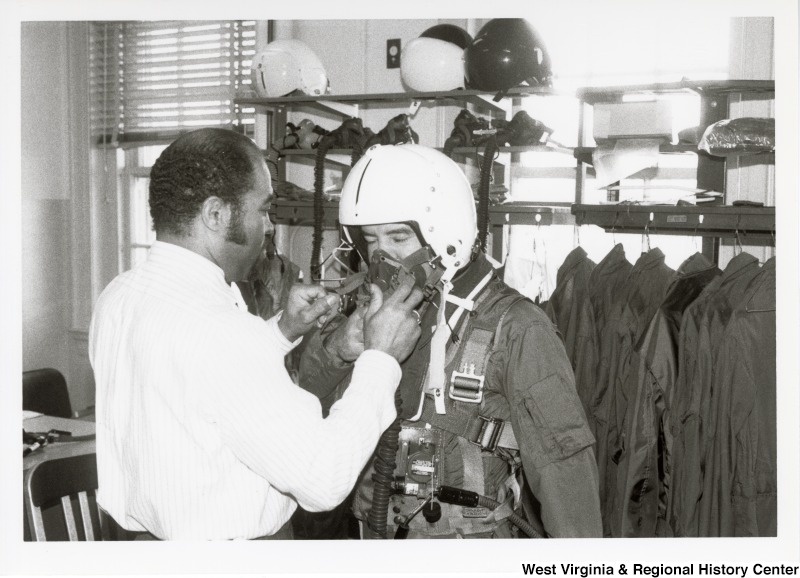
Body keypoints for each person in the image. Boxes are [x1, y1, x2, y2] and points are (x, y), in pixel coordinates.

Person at [88, 128, 423, 540]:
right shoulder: (222, 333)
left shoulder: (120, 295)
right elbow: (325, 479)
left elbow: (196, 385)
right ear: (215, 214)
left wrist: (281, 332)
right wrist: (381, 359)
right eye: (262, 210)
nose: (268, 227)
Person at [298, 143, 602, 538]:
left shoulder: (516, 328)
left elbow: (565, 469)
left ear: (447, 235)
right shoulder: (359, 313)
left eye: (398, 237)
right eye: (370, 241)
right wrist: (339, 349)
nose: (381, 257)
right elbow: (299, 412)